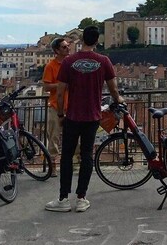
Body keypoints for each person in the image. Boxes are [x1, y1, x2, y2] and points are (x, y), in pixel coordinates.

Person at [45, 26, 123, 213]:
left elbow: (61, 91)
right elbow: (113, 89)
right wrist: (118, 99)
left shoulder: (69, 61)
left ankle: (63, 198)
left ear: (81, 40)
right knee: (87, 156)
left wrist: (62, 114)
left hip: (72, 115)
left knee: (66, 157)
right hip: (92, 115)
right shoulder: (104, 61)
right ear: (97, 41)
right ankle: (81, 198)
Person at [42, 37, 70, 177]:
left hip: (71, 105)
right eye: (64, 47)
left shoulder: (70, 64)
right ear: (57, 50)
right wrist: (61, 86)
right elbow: (46, 86)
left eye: (67, 46)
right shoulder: (51, 66)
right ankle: (52, 166)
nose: (68, 48)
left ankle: (72, 163)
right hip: (55, 106)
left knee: (72, 136)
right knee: (53, 137)